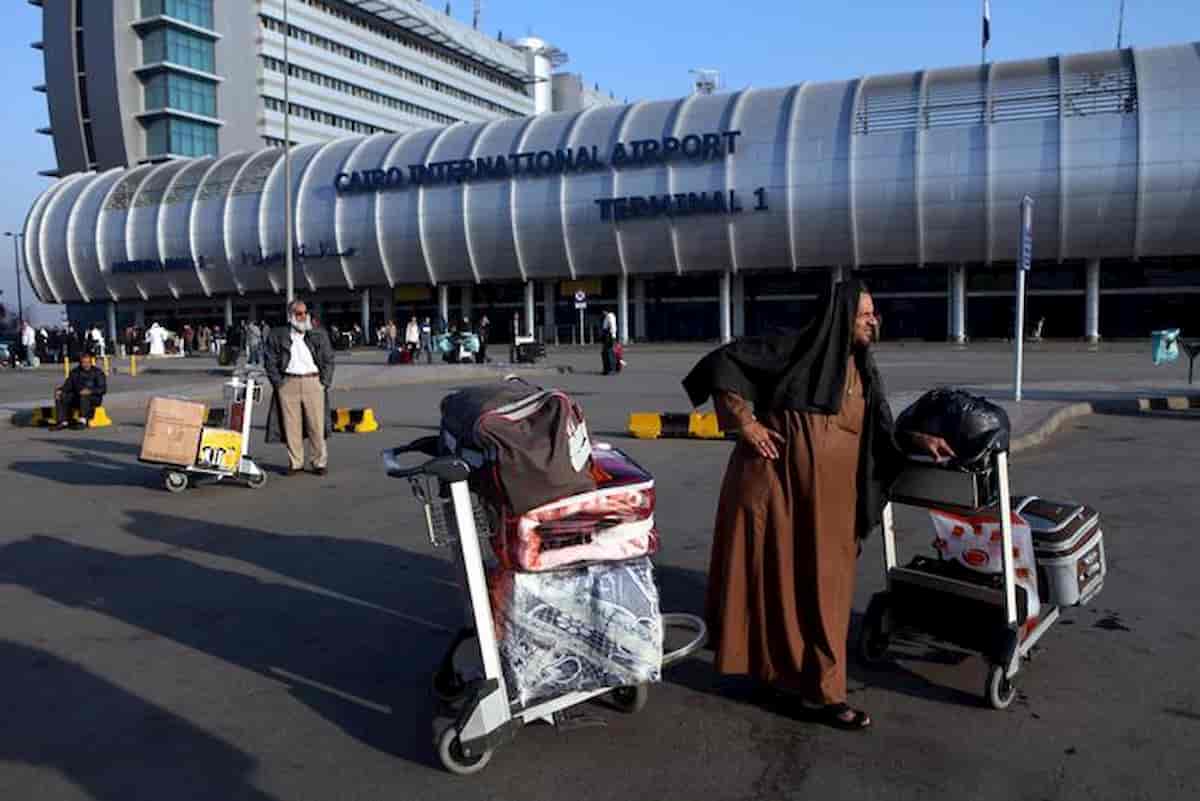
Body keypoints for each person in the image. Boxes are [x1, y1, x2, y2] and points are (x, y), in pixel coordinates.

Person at [682, 280, 954, 731]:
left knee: (826, 594)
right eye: (865, 313)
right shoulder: (794, 350)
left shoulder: (864, 371)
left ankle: (820, 689)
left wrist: (916, 439)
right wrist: (744, 424)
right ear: (840, 316)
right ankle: (792, 684)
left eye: (874, 313)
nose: (873, 320)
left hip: (830, 505)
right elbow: (722, 363)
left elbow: (878, 434)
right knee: (774, 585)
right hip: (778, 488)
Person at [264, 300, 335, 476]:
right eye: (299, 313)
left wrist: (324, 382)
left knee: (316, 425)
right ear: (290, 316)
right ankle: (295, 462)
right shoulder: (277, 335)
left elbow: (329, 359)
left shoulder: (318, 334)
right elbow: (270, 360)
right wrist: (279, 384)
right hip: (288, 383)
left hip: (313, 382)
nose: (303, 316)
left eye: (305, 313)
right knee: (291, 426)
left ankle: (319, 462)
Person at [53, 351, 107, 430]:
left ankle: (83, 421)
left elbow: (102, 389)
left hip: (93, 398)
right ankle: (62, 422)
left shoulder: (97, 372)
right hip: (77, 396)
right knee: (61, 395)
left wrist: (90, 391)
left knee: (84, 395)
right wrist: (60, 390)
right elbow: (68, 386)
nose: (86, 364)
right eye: (83, 362)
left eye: (88, 362)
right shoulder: (75, 372)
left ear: (91, 362)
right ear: (80, 362)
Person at [600, 310, 618, 375]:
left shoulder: (610, 316)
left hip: (609, 337)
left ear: (606, 311)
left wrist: (610, 335)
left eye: (603, 311)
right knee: (605, 353)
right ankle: (607, 369)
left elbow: (612, 327)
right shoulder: (607, 316)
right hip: (608, 336)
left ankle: (611, 369)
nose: (602, 313)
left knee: (609, 353)